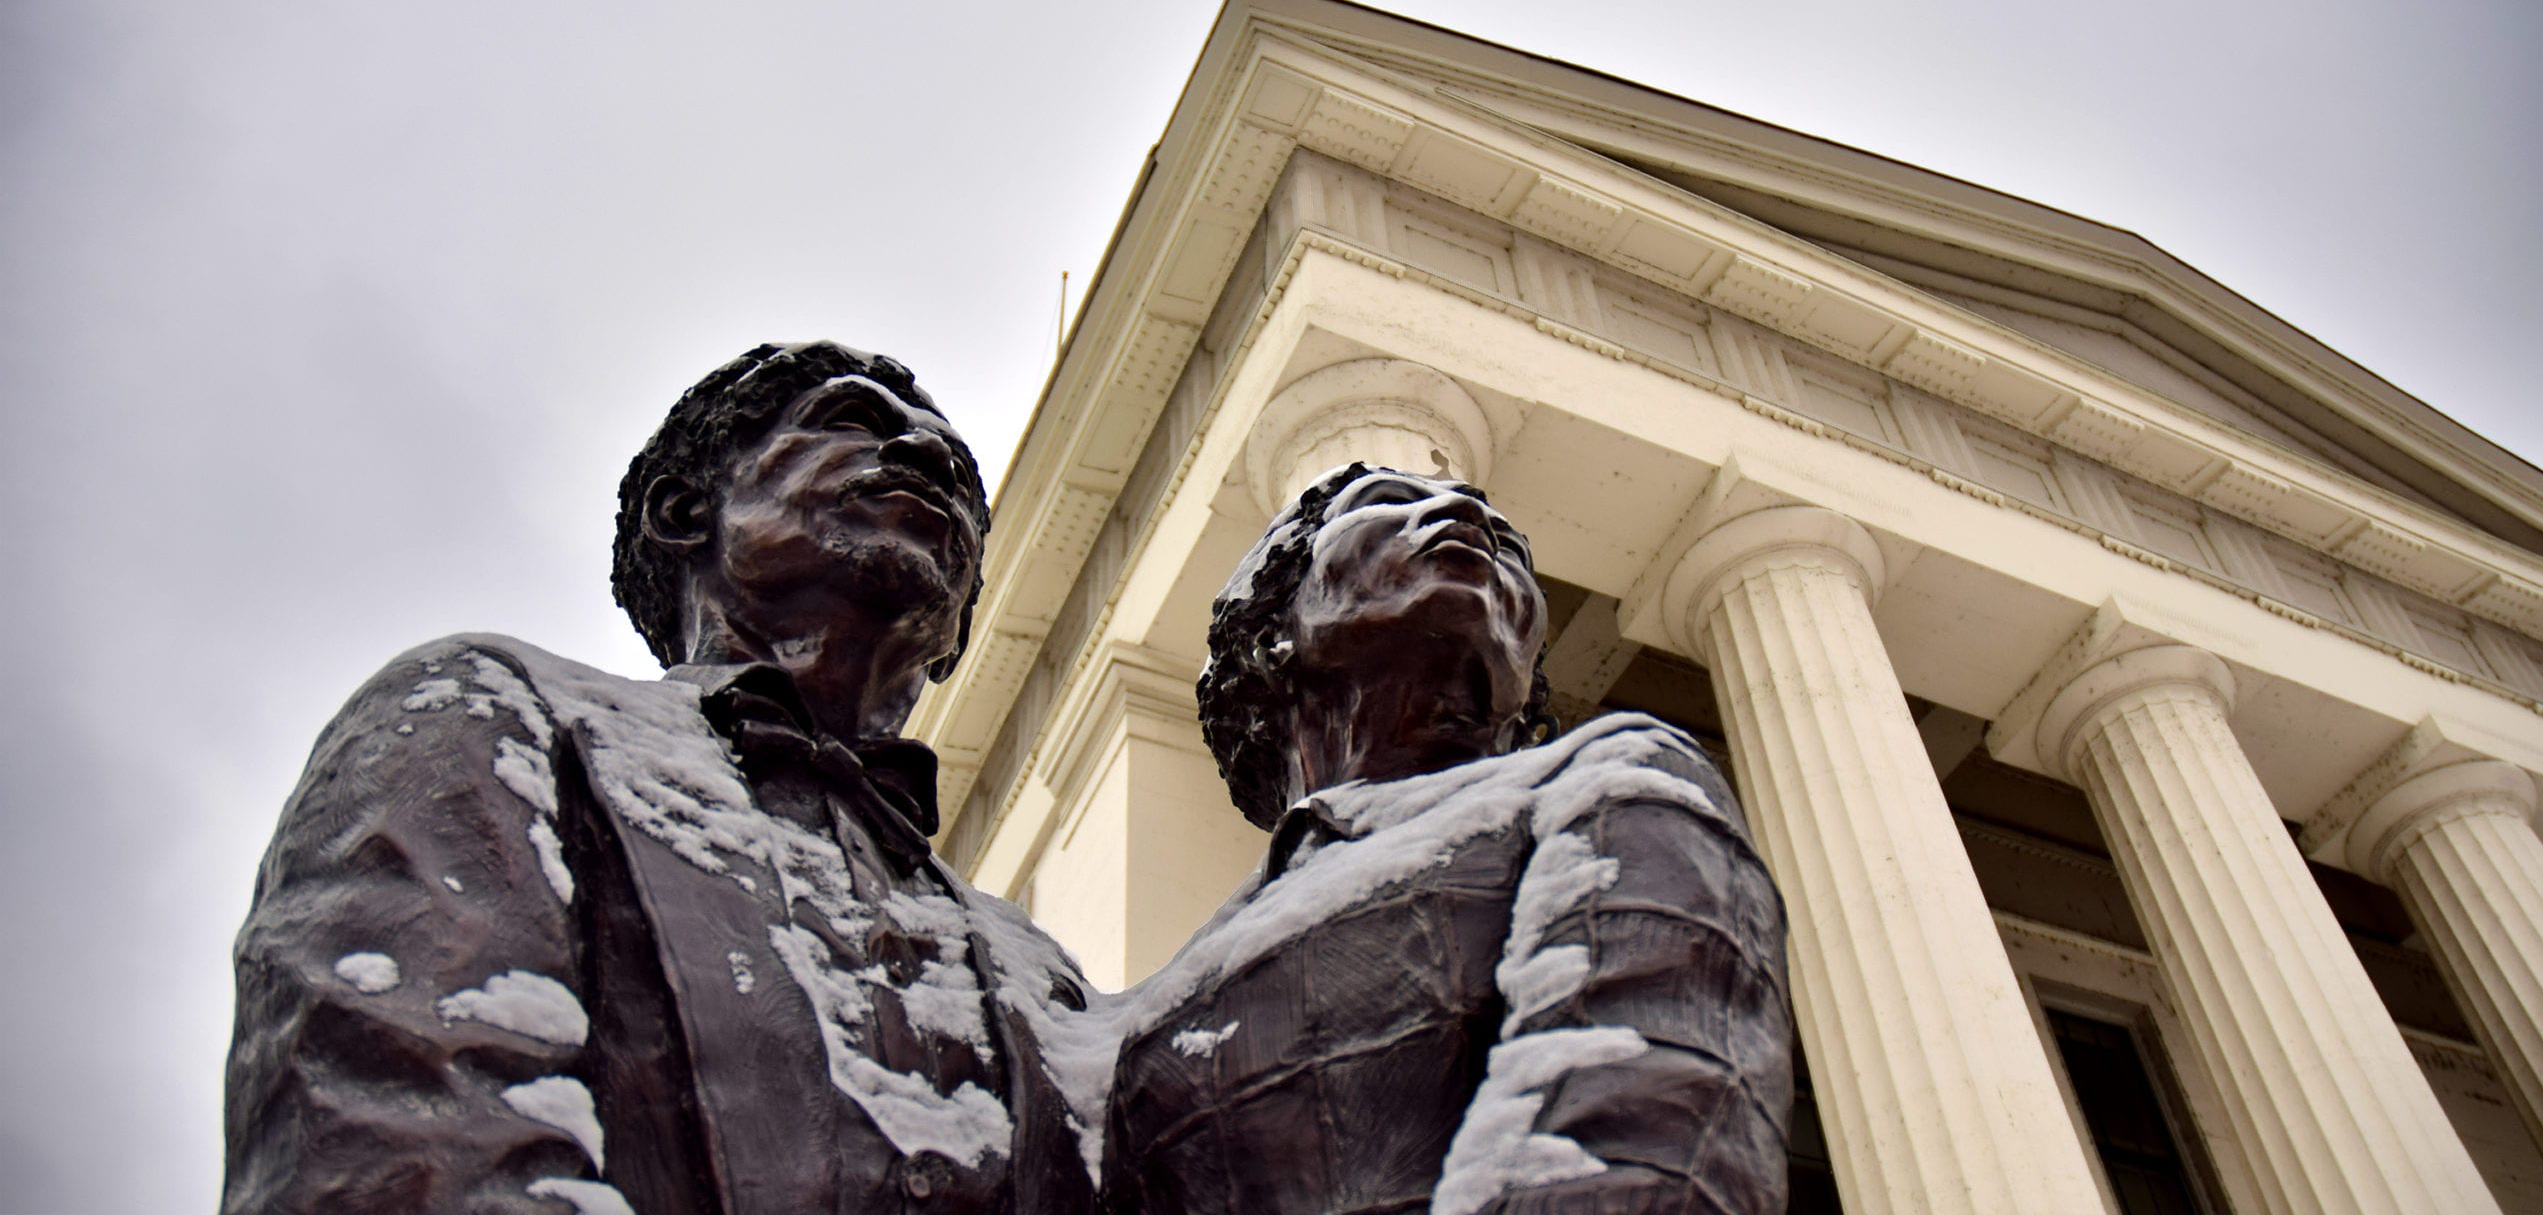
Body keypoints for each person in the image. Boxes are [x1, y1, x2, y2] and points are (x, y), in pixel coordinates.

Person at [223, 342, 1099, 1214]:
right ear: (684, 511)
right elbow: (400, 1151)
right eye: (852, 422)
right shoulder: (489, 715)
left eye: (956, 475)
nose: (927, 456)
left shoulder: (1045, 978)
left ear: (957, 636)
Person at [1102, 464, 1792, 1214]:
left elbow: (1646, 1145)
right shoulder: (1151, 1004)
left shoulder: (1613, 782)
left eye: (1509, 549)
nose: (1460, 511)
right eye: (1386, 505)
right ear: (1269, 632)